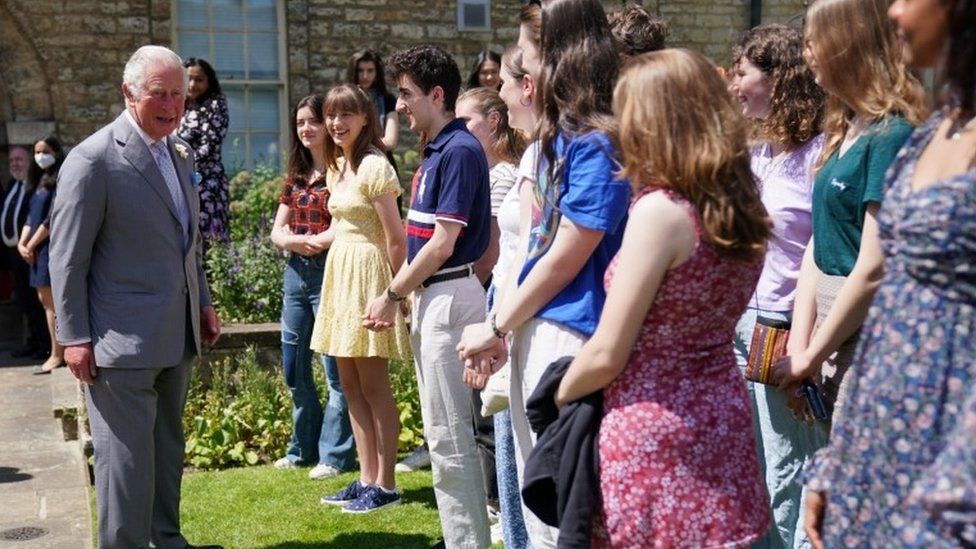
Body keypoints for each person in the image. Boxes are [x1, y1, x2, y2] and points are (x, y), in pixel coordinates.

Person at [555, 48, 772, 548]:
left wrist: (560, 395)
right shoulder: (737, 203)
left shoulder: (661, 212)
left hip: (654, 430)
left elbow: (610, 351)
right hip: (723, 416)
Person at [458, 1, 631, 546]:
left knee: (567, 515)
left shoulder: (596, 144)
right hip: (539, 333)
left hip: (572, 339)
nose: (523, 72)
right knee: (539, 512)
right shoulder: (558, 144)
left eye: (529, 55)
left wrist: (497, 325)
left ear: (560, 58)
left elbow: (566, 255)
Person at [803, 2, 976, 547]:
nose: (894, 10)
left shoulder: (901, 132)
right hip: (879, 443)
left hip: (947, 466)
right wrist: (839, 458)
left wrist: (957, 480)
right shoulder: (939, 128)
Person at [49, 45, 222, 549]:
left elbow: (187, 243)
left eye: (179, 95)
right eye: (159, 94)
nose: (172, 105)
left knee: (167, 451)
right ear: (128, 93)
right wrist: (74, 337)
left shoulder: (178, 151)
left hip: (177, 333)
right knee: (124, 462)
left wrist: (204, 302)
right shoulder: (92, 159)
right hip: (118, 343)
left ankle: (167, 540)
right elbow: (67, 260)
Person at [364, 44, 492, 548]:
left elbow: (443, 242)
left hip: (448, 296)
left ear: (438, 95)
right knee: (443, 435)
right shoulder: (440, 148)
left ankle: (466, 543)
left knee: (450, 436)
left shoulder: (458, 151)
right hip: (435, 298)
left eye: (406, 94)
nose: (398, 105)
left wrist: (392, 294)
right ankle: (460, 538)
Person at [774, 0, 928, 421]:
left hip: (866, 335)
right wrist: (801, 347)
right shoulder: (844, 128)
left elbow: (873, 269)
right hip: (829, 328)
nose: (806, 55)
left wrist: (812, 352)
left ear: (847, 45)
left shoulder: (892, 134)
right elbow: (816, 244)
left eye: (813, 43)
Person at [727, 24, 828, 549]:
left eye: (743, 73)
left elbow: (818, 250)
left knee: (787, 471)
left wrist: (802, 341)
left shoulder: (817, 153)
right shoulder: (759, 152)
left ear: (779, 79)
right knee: (753, 466)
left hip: (786, 325)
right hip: (745, 323)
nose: (732, 83)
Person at [310, 84, 410, 513]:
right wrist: (304, 240)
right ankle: (366, 476)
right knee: (349, 384)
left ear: (366, 118)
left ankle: (386, 484)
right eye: (331, 115)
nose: (337, 123)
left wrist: (396, 292)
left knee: (373, 385)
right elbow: (344, 227)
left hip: (369, 276)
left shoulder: (374, 165)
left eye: (346, 114)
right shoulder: (338, 167)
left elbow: (395, 236)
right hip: (340, 275)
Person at [269, 94, 356, 479]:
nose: (306, 128)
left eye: (313, 121)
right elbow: (277, 230)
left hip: (328, 273)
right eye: (300, 122)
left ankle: (334, 456)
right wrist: (291, 242)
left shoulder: (341, 173)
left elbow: (343, 226)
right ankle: (302, 449)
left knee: (334, 368)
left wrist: (312, 242)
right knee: (294, 368)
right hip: (295, 275)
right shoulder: (296, 176)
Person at [455, 85, 526, 538]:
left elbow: (494, 251)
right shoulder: (492, 171)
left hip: (495, 298)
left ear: (495, 122)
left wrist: (487, 313)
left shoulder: (502, 176)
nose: (462, 132)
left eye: (469, 122)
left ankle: (499, 506)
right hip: (493, 300)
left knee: (491, 411)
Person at [18, 136, 66, 375]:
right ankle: (57, 350)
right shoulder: (38, 182)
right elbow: (31, 217)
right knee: (45, 302)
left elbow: (51, 218)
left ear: (56, 152)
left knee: (52, 305)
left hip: (48, 249)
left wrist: (32, 244)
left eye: (44, 151)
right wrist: (22, 244)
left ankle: (58, 354)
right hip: (36, 249)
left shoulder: (59, 180)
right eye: (36, 152)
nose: (40, 156)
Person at [2, 145, 49, 359]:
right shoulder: (12, 184)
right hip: (13, 254)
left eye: (19, 159)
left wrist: (28, 244)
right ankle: (32, 341)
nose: (15, 164)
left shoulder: (34, 186)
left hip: (31, 252)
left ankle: (44, 345)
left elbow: (35, 218)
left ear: (28, 161)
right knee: (23, 300)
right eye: (12, 160)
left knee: (37, 301)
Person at [177, 57, 229, 246]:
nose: (193, 84)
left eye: (199, 79)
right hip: (178, 182)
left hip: (206, 182)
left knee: (209, 241)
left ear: (209, 81)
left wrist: (179, 164)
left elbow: (209, 146)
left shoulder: (215, 105)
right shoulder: (177, 106)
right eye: (188, 78)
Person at [346, 50, 399, 161]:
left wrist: (356, 144)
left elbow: (390, 141)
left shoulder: (387, 100)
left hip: (381, 159)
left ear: (377, 73)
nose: (365, 76)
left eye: (370, 71)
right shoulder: (344, 101)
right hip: (349, 160)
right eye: (360, 71)